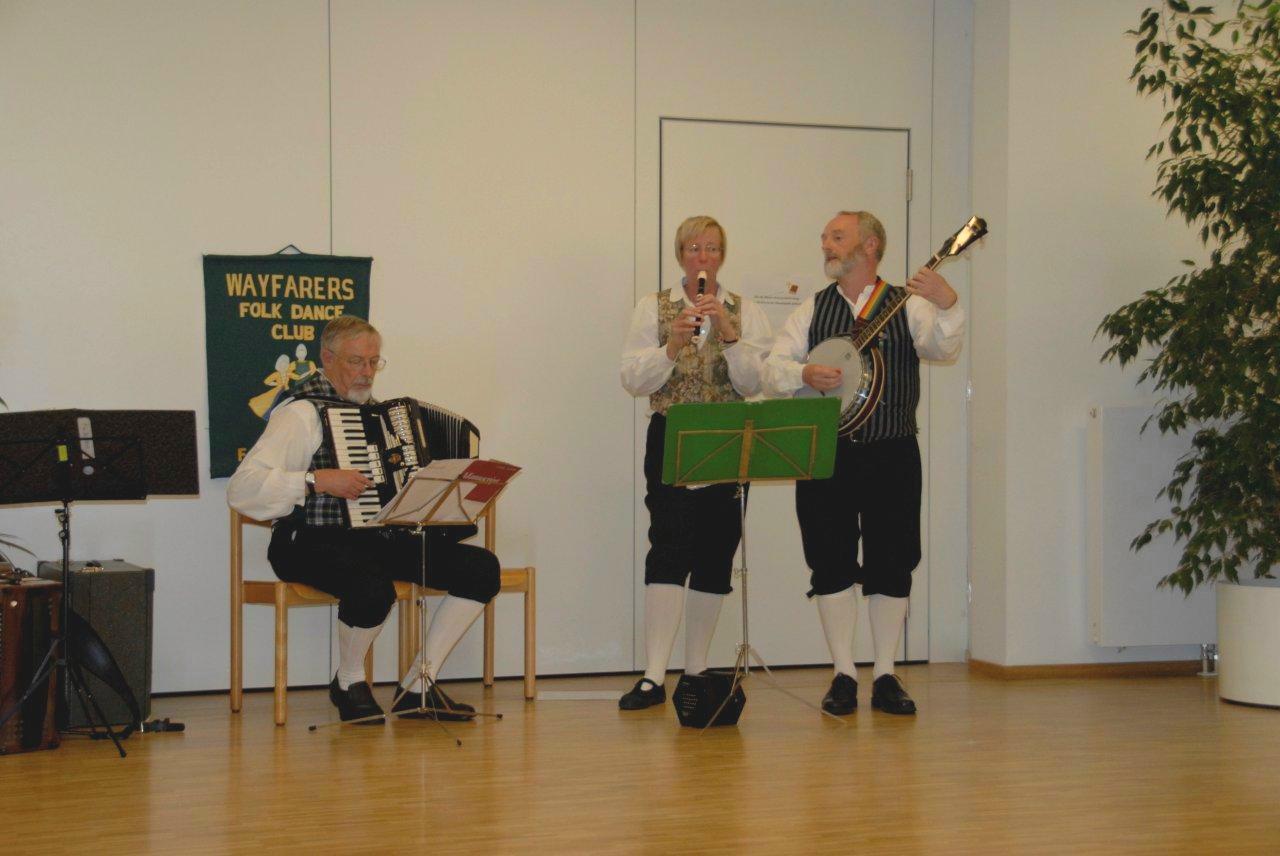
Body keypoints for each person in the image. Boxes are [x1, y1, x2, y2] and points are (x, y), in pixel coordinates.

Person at [227, 315, 500, 723]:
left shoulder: (382, 417)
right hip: (306, 540)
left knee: (480, 568)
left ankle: (418, 685)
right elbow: (242, 489)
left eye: (374, 362)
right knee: (371, 587)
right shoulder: (300, 413)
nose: (367, 372)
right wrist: (316, 480)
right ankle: (349, 681)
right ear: (327, 358)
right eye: (356, 361)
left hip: (374, 540)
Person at [764, 211, 965, 716]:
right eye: (825, 237)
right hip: (825, 454)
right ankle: (843, 673)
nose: (826, 245)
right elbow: (772, 369)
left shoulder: (909, 303)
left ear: (870, 245)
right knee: (829, 560)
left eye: (838, 237)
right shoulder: (812, 308)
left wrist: (948, 303)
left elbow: (942, 348)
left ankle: (886, 673)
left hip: (892, 452)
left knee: (892, 561)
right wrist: (803, 373)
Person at [619, 215, 773, 710]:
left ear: (721, 256)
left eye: (711, 248)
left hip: (729, 437)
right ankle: (653, 675)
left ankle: (696, 669)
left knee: (716, 551)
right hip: (673, 433)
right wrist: (671, 345)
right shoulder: (654, 307)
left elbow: (754, 383)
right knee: (668, 546)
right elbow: (633, 379)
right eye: (693, 248)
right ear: (680, 255)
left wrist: (727, 332)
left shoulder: (745, 311)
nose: (702, 257)